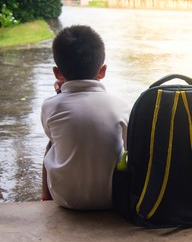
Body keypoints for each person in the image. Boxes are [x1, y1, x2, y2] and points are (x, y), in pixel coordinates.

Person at [41, 25, 129, 210]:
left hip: (66, 200)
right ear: (102, 71)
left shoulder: (50, 106)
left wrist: (60, 96)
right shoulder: (120, 106)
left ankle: (45, 200)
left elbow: (57, 136)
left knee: (51, 145)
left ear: (58, 73)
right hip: (112, 198)